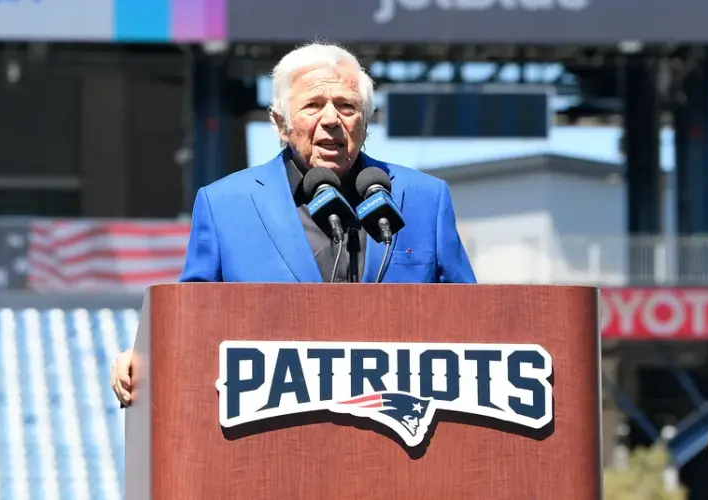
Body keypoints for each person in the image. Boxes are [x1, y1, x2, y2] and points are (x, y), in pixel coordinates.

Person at [110, 41, 476, 407]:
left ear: (366, 120)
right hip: (276, 430)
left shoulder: (426, 197)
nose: (332, 120)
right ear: (280, 123)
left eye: (347, 106)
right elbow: (191, 319)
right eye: (313, 106)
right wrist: (149, 354)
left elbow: (471, 321)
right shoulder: (224, 204)